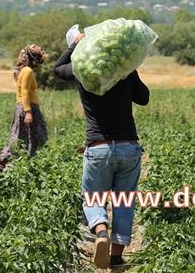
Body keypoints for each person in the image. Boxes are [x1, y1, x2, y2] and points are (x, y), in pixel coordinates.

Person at [54, 24, 149, 270]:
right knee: (124, 201)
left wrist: (75, 45)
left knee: (92, 197)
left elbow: (57, 70)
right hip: (129, 146)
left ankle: (100, 230)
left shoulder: (83, 69)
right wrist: (129, 66)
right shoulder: (123, 70)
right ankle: (116, 258)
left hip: (98, 147)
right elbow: (144, 98)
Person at [0, 44, 48, 172]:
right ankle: (21, 164)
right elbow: (25, 92)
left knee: (21, 135)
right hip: (28, 107)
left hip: (23, 106)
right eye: (37, 48)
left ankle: (4, 160)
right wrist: (28, 112)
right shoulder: (27, 71)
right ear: (33, 57)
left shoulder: (24, 70)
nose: (40, 47)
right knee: (34, 136)